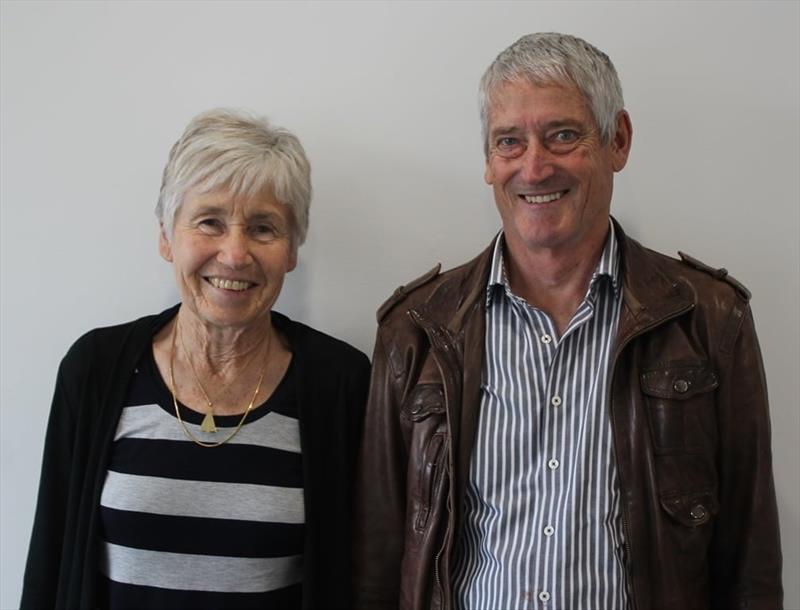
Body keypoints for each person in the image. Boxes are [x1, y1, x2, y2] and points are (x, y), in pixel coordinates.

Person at [354, 33, 782, 610]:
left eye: (562, 135)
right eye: (509, 141)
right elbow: (379, 561)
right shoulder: (416, 330)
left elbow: (748, 562)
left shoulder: (709, 320)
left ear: (618, 140)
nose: (534, 167)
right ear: (488, 160)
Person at [21, 109, 370, 610]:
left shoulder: (341, 384)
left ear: (292, 249)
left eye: (263, 228)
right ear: (167, 236)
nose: (234, 254)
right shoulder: (94, 369)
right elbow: (49, 566)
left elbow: (360, 577)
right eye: (209, 221)